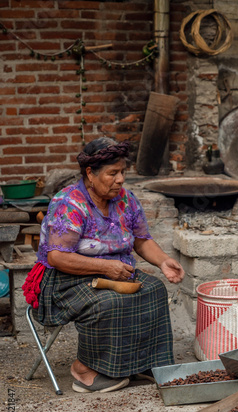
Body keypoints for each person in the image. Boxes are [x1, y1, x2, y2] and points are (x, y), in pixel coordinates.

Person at [23, 137, 185, 393]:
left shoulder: (125, 200)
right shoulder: (69, 203)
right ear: (90, 173)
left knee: (154, 289)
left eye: (122, 172)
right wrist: (105, 268)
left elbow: (142, 241)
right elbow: (57, 257)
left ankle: (139, 363)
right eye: (113, 173)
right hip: (63, 280)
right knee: (108, 301)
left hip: (115, 271)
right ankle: (83, 369)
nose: (120, 179)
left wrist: (163, 260)